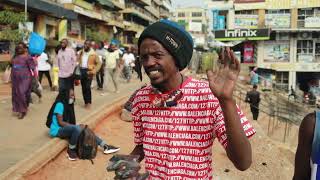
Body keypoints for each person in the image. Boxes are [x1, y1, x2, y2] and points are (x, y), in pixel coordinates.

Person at [109, 20, 256, 179]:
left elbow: (243, 162)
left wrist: (226, 101)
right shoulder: (141, 99)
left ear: (176, 58)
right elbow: (145, 144)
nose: (149, 63)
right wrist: (131, 161)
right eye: (144, 57)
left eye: (158, 55)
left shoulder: (209, 96)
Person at [47, 89, 120, 161]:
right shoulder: (60, 104)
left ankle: (105, 146)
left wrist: (77, 126)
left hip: (65, 128)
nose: (73, 97)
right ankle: (71, 150)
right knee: (78, 129)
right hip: (57, 130)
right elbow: (60, 122)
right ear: (66, 95)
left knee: (85, 129)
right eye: (71, 95)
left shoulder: (68, 105)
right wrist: (76, 126)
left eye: (73, 95)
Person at [11, 42, 36, 119]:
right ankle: (20, 108)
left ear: (25, 49)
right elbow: (12, 66)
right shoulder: (15, 57)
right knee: (16, 94)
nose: (19, 49)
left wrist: (35, 77)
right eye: (18, 48)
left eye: (21, 47)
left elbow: (33, 67)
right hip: (15, 78)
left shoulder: (27, 57)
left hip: (25, 78)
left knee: (22, 93)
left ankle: (22, 111)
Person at [78, 40, 101, 109]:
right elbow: (78, 59)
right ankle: (85, 102)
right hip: (81, 70)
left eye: (87, 44)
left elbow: (99, 63)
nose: (85, 45)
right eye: (85, 44)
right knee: (83, 88)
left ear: (90, 46)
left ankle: (89, 102)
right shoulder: (81, 52)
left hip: (89, 71)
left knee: (87, 87)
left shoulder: (94, 54)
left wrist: (94, 71)